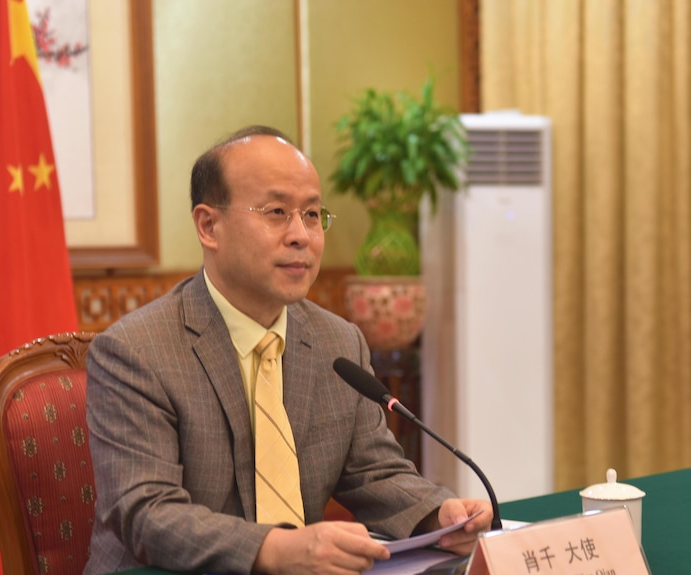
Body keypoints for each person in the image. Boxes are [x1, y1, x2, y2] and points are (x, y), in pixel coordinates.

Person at [83, 125, 493, 575]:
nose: (302, 235)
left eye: (313, 215)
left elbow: (374, 473)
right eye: (276, 212)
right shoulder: (136, 352)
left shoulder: (337, 343)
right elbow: (149, 515)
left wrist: (438, 514)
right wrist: (277, 550)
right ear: (209, 226)